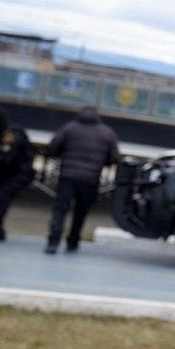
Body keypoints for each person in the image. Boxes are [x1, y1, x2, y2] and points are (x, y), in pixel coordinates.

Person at [43, 106, 120, 253]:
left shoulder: (69, 128)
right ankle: (73, 241)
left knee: (60, 210)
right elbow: (114, 157)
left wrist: (62, 156)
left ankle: (53, 242)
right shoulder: (107, 132)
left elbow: (53, 147)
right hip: (91, 179)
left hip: (68, 176)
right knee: (81, 212)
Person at [0, 106, 37, 241]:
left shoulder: (12, 134)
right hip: (5, 173)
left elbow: (7, 156)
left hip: (19, 173)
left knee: (2, 197)